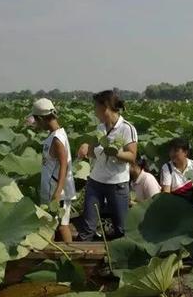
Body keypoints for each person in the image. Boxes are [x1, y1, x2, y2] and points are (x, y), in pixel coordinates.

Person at [76, 90, 138, 240]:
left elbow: (132, 156)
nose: (94, 111)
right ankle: (83, 259)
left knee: (121, 228)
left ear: (105, 107)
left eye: (96, 107)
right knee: (88, 226)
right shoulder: (100, 128)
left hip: (116, 184)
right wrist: (85, 149)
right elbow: (95, 153)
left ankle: (120, 260)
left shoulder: (127, 128)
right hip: (95, 182)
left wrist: (115, 153)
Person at [28, 98, 76, 243]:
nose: (36, 124)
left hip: (57, 193)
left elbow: (64, 165)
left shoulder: (57, 139)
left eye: (36, 120)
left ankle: (71, 258)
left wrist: (58, 192)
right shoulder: (55, 135)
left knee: (62, 226)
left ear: (42, 119)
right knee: (53, 226)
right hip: (52, 190)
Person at [160, 138, 193, 209]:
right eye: (171, 151)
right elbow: (166, 192)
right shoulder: (167, 168)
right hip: (176, 206)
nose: (172, 154)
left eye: (176, 151)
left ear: (185, 152)